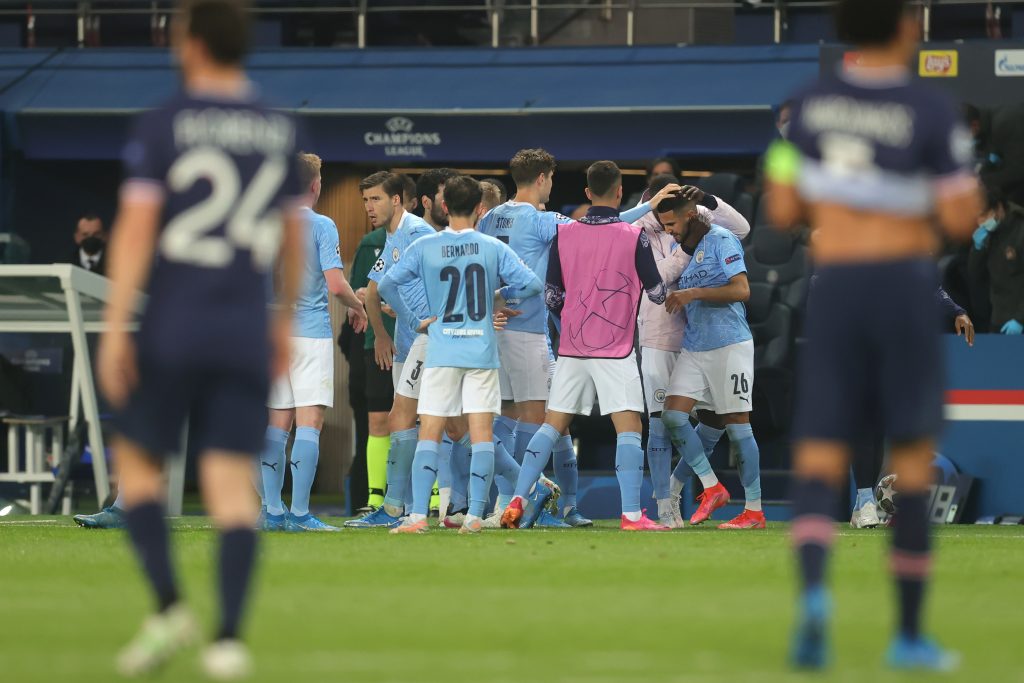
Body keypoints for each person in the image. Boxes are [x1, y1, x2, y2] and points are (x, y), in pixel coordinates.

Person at [95, 0, 307, 676]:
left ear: (190, 42)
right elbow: (293, 231)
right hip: (245, 326)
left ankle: (167, 606)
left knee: (135, 464)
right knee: (229, 483)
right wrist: (279, 321)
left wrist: (114, 326)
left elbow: (135, 231)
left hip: (176, 323)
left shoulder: (166, 123)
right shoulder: (277, 127)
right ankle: (228, 641)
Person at [765, 0, 979, 670]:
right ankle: (908, 633)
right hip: (903, 289)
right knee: (911, 458)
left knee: (822, 452)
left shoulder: (805, 105)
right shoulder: (932, 109)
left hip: (838, 289)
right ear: (909, 29)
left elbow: (781, 207)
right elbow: (962, 213)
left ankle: (813, 602)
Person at [478, 149, 669, 527]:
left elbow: (500, 273)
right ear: (543, 178)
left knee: (543, 423)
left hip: (512, 332)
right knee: (592, 422)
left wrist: (491, 303)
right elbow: (603, 227)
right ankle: (542, 503)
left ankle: (532, 501)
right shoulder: (547, 222)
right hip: (544, 333)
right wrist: (650, 208)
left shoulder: (491, 218)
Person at [380, 176, 543, 534]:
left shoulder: (427, 245)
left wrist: (416, 322)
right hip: (481, 350)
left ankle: (419, 516)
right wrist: (497, 294)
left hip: (441, 347)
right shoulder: (491, 246)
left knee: (431, 431)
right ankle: (474, 518)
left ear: (443, 207)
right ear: (481, 209)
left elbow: (387, 284)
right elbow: (532, 284)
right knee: (482, 432)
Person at [633, 176, 750, 528]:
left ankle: (678, 483)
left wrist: (709, 202)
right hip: (657, 334)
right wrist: (689, 243)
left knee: (713, 419)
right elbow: (660, 277)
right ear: (651, 201)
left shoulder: (691, 215)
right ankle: (664, 505)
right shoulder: (640, 229)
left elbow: (741, 229)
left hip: (697, 333)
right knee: (659, 421)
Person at [259, 153, 367, 532]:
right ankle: (300, 514)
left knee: (276, 423)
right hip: (308, 333)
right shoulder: (321, 225)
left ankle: (271, 511)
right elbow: (337, 284)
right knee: (309, 422)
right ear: (314, 185)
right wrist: (359, 307)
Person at [655, 201, 763, 530]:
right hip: (695, 345)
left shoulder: (721, 239)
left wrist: (693, 293)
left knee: (736, 424)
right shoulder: (680, 248)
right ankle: (712, 485)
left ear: (690, 215)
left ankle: (754, 511)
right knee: (673, 416)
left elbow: (742, 289)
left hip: (730, 344)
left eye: (672, 223)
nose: (669, 231)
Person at [344, 171, 434, 528]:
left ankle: (400, 506)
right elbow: (373, 288)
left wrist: (420, 317)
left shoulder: (418, 233)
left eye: (375, 199)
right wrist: (381, 335)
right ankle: (405, 506)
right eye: (365, 200)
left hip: (428, 343)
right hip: (404, 345)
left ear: (397, 199)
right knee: (440, 426)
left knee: (432, 424)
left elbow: (438, 283)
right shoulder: (392, 239)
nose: (368, 207)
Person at [969, 188, 1024, 335]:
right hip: (998, 316)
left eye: (984, 215)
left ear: (998, 208)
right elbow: (975, 276)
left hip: (1019, 317)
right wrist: (977, 249)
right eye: (977, 218)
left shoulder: (1020, 229)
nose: (980, 222)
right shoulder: (987, 234)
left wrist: (1020, 319)